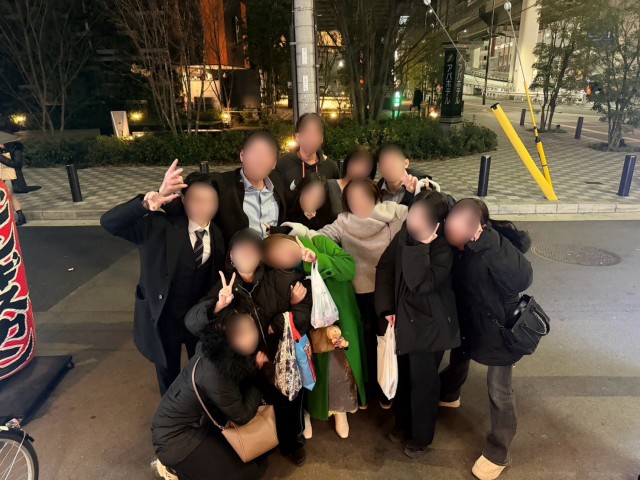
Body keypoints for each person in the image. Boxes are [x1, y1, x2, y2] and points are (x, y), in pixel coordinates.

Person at [185, 228, 311, 466]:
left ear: (261, 256)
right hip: (246, 362)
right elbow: (191, 323)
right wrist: (217, 307)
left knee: (289, 401)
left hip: (279, 357)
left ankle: (292, 443)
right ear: (231, 257)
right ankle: (260, 446)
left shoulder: (279, 277)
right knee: (254, 407)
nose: (246, 254)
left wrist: (279, 321)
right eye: (240, 250)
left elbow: (305, 309)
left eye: (252, 249)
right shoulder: (224, 287)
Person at [284, 179, 408, 409]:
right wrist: (297, 230)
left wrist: (421, 189)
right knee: (365, 344)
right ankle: (369, 391)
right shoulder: (344, 221)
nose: (358, 202)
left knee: (388, 342)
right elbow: (318, 236)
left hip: (385, 293)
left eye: (363, 196)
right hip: (357, 293)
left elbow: (420, 216)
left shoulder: (393, 215)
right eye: (352, 199)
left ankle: (388, 390)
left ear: (374, 196)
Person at [100, 167, 225, 395]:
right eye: (196, 200)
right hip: (164, 317)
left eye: (210, 201)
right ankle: (171, 411)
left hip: (197, 318)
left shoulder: (218, 234)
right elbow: (110, 223)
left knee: (201, 370)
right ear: (183, 200)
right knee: (168, 374)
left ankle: (198, 407)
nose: (203, 207)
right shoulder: (159, 226)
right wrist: (145, 204)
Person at [439, 198, 533, 480]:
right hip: (469, 322)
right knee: (459, 359)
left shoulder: (495, 247)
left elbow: (522, 278)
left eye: (462, 223)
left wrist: (488, 242)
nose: (452, 227)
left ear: (478, 227)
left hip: (499, 329)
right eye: (451, 220)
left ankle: (499, 452)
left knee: (499, 390)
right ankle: (448, 394)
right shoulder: (454, 247)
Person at [375, 191, 459, 458]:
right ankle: (402, 424)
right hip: (402, 319)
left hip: (430, 326)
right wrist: (386, 308)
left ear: (437, 223)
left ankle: (421, 436)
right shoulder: (406, 232)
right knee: (402, 376)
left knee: (423, 383)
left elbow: (420, 283)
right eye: (414, 212)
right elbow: (385, 267)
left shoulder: (443, 246)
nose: (415, 220)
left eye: (423, 217)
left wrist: (421, 246)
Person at [262, 234, 367, 439]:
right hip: (306, 330)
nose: (287, 254)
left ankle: (340, 410)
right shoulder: (281, 277)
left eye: (285, 246)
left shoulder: (319, 242)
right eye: (279, 256)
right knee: (308, 371)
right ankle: (308, 412)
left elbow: (349, 268)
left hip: (337, 321)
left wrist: (318, 259)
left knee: (338, 367)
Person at [152, 304, 268, 480]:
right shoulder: (215, 371)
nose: (251, 338)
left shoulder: (221, 353)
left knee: (256, 458)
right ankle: (173, 469)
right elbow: (242, 415)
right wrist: (258, 375)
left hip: (201, 423)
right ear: (225, 338)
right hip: (176, 439)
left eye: (251, 329)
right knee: (248, 474)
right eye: (240, 334)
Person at [213, 130, 287, 244]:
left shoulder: (278, 184)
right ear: (242, 156)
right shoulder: (223, 184)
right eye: (255, 153)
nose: (260, 160)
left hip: (274, 252)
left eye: (267, 155)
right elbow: (196, 186)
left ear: (274, 163)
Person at [276, 113, 340, 194]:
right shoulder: (282, 165)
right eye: (306, 132)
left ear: (321, 138)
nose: (310, 137)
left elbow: (334, 197)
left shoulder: (331, 167)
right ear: (297, 137)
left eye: (316, 132)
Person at [327, 146, 377, 216]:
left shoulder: (371, 193)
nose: (360, 168)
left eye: (367, 166)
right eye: (357, 162)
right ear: (348, 162)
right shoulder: (328, 186)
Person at [0, 143, 26, 226]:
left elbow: (17, 164)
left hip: (11, 177)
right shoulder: (2, 150)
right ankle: (21, 216)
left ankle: (13, 217)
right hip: (3, 177)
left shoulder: (16, 150)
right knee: (12, 196)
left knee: (7, 195)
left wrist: (1, 157)